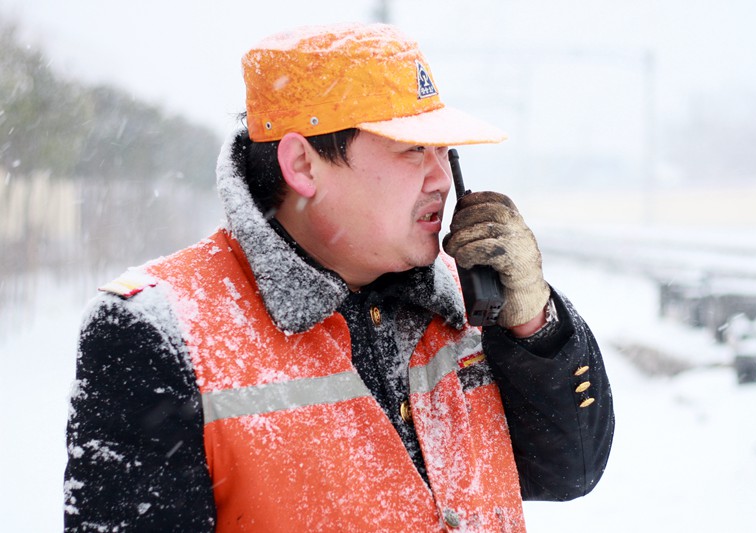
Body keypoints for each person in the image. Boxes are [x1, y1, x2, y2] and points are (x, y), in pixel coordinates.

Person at [63, 22, 614, 532]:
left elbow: (570, 471)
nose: (441, 179)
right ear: (302, 166)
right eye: (411, 151)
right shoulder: (162, 330)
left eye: (445, 152)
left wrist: (535, 327)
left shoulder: (468, 298)